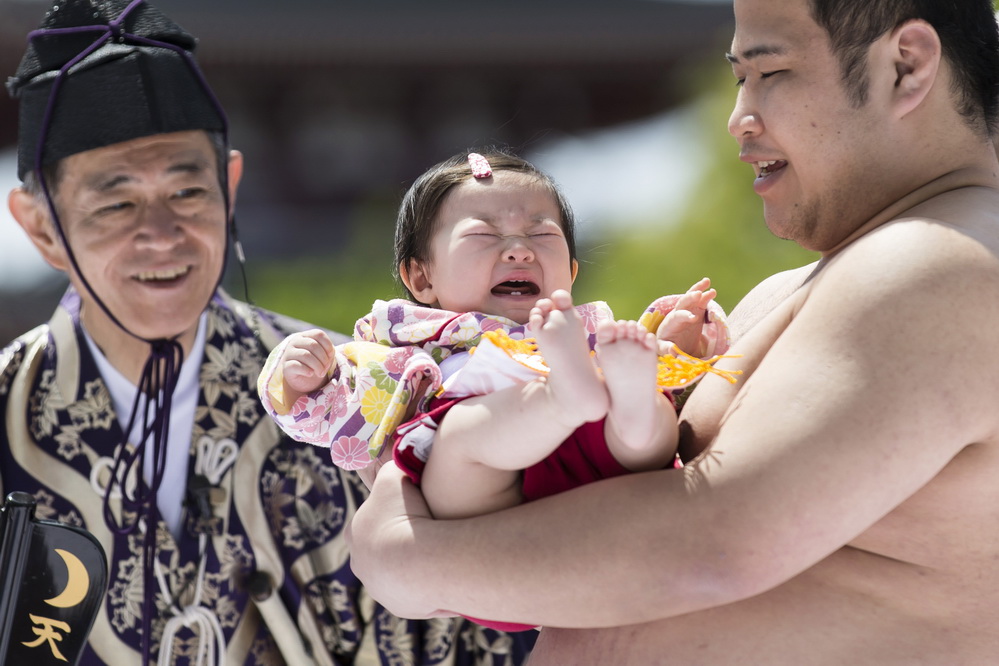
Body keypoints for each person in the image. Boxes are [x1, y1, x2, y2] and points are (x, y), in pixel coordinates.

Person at [344, 0, 999, 663]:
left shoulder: (940, 262)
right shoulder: (831, 278)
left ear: (904, 66)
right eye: (739, 80)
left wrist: (407, 559)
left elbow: (717, 543)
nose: (737, 119)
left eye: (767, 73)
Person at [0, 1, 535, 664]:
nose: (161, 234)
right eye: (115, 202)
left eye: (188, 192)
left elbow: (483, 628)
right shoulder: (8, 413)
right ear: (41, 226)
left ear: (229, 188)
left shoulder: (369, 391)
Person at [259, 152, 733, 629]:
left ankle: (614, 398)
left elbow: (676, 382)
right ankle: (566, 400)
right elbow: (320, 413)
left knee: (646, 411)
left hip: (596, 477)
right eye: (484, 235)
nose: (519, 250)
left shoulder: (587, 337)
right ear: (422, 277)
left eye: (541, 234)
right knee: (462, 433)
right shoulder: (403, 350)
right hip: (479, 524)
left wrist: (676, 341)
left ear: (569, 271)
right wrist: (305, 377)